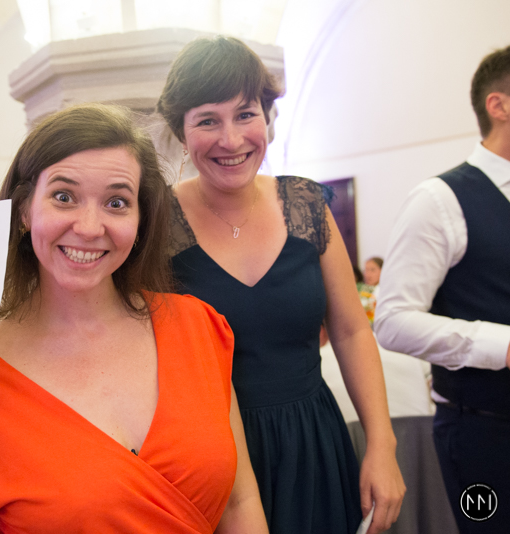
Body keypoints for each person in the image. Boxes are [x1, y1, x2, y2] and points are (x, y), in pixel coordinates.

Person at [0, 103, 268, 533]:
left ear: (140, 221)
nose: (89, 227)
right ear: (24, 209)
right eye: (64, 197)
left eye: (116, 202)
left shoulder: (197, 328)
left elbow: (238, 503)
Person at [157, 36, 405, 534]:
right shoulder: (158, 224)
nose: (231, 140)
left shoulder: (306, 205)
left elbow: (352, 332)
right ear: (181, 133)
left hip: (313, 442)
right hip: (212, 460)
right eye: (208, 121)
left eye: (245, 114)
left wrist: (382, 445)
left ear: (267, 118)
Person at [375, 44, 510, 533]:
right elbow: (392, 321)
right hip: (485, 433)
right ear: (499, 105)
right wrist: (503, 344)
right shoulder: (440, 200)